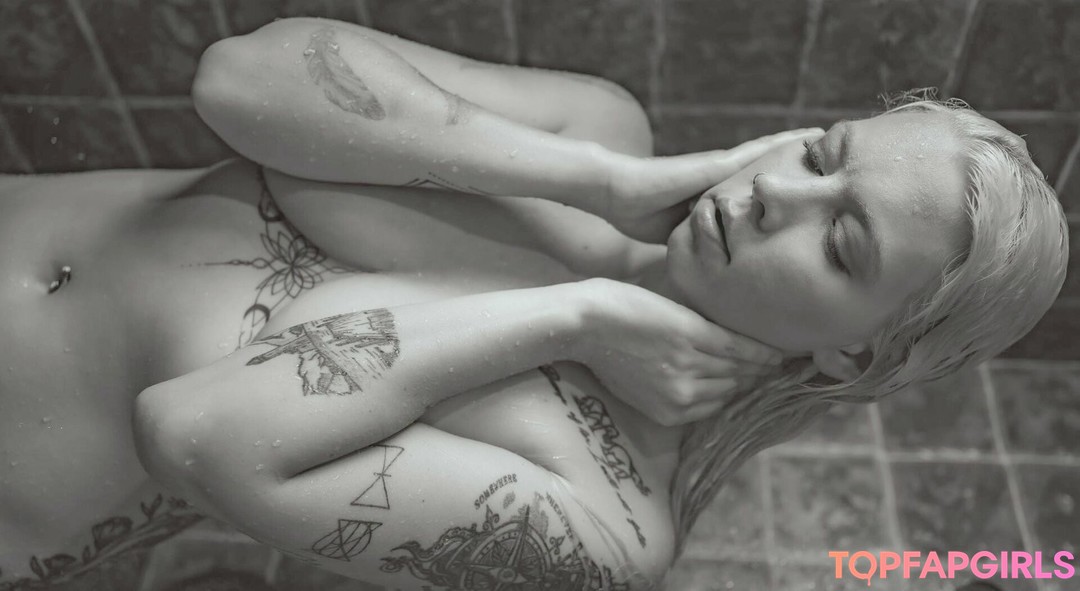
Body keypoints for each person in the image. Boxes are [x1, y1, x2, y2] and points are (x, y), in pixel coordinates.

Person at [0, 17, 1066, 591]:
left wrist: (577, 313)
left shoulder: (608, 518)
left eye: (840, 243)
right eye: (823, 155)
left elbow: (192, 431)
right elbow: (240, 81)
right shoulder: (596, 133)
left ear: (855, 357)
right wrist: (599, 183)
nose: (774, 193)